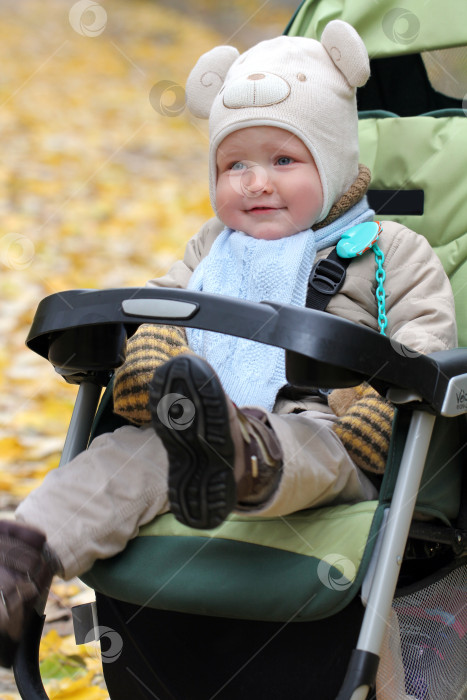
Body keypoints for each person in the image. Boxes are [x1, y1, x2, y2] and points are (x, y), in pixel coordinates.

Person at [0, 21, 457, 660]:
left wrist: (383, 411)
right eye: (233, 163)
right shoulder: (212, 250)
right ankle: (19, 567)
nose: (254, 181)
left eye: (283, 161)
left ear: (334, 162)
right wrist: (151, 358)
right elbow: (158, 308)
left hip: (322, 428)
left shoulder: (391, 252)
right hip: (191, 431)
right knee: (120, 458)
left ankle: (243, 452)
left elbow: (427, 337)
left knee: (308, 444)